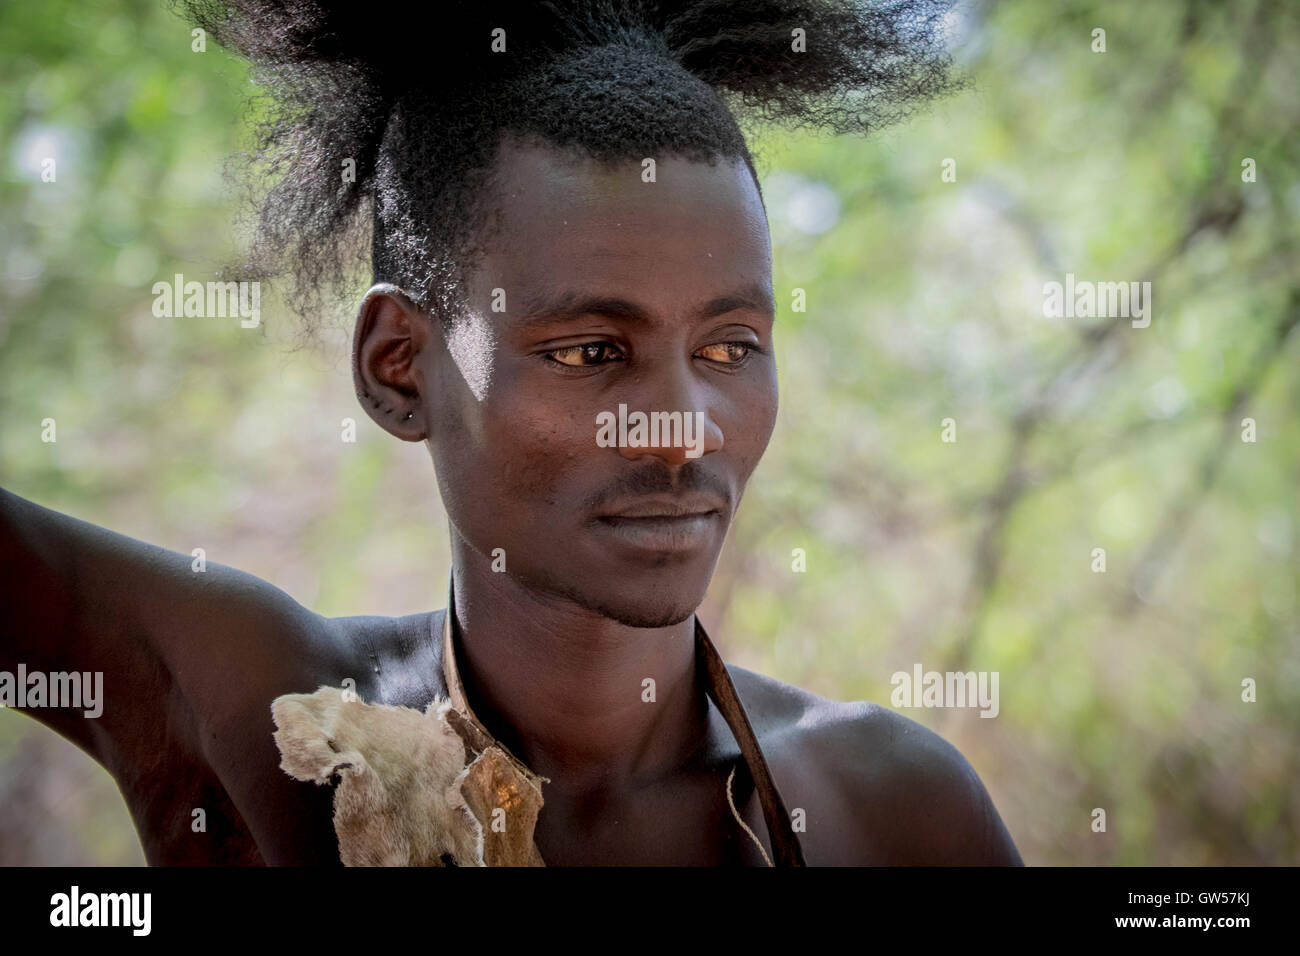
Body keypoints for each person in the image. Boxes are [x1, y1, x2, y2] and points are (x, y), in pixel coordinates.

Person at [0, 0, 1022, 865]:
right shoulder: (267, 724)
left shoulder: (889, 811)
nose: (680, 433)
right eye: (589, 352)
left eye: (727, 347)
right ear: (397, 364)